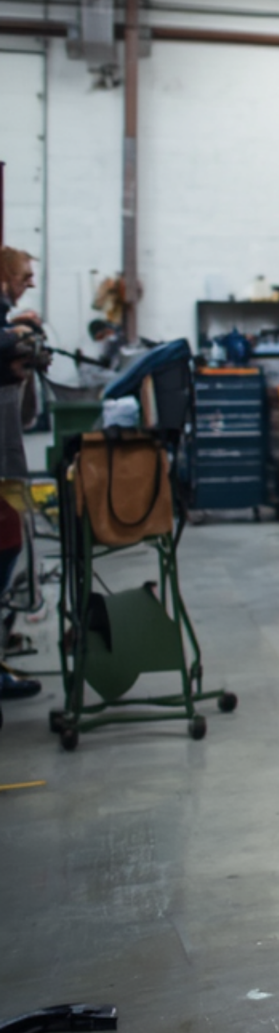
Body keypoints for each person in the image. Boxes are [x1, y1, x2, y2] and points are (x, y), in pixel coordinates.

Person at [0, 246, 44, 696]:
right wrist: (17, 334)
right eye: (25, 274)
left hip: (7, 453)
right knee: (6, 552)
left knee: (11, 553)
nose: (29, 281)